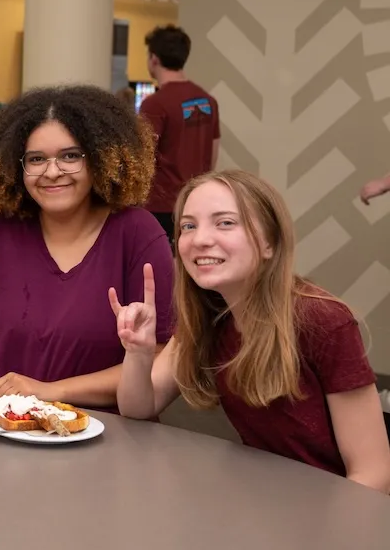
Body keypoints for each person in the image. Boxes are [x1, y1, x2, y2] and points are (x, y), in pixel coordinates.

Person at [115, 171, 390, 492]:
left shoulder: (322, 320)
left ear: (269, 243)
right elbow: (138, 408)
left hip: (331, 510)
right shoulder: (211, 314)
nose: (200, 239)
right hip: (265, 497)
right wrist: (138, 352)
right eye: (188, 226)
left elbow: (374, 473)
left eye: (225, 223)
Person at [0, 85, 174, 410]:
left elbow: (157, 362)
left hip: (98, 436)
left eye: (71, 156)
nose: (52, 171)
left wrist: (49, 390)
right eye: (36, 159)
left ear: (102, 157)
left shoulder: (137, 234)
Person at [139, 25, 220, 242]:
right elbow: (212, 153)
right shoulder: (207, 100)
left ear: (153, 58)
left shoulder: (154, 104)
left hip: (160, 208)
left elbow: (142, 157)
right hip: (196, 203)